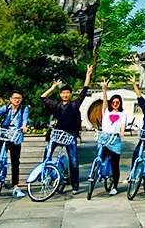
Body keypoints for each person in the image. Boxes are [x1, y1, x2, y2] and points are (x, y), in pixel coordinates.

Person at [41, 65, 93, 194]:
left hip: (70, 135)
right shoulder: (56, 105)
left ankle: (75, 185)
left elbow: (84, 90)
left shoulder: (75, 104)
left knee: (73, 160)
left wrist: (88, 75)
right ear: (60, 94)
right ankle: (46, 177)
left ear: (70, 94)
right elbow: (42, 98)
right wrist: (52, 87)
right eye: (63, 93)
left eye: (67, 93)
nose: (65, 95)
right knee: (47, 154)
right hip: (57, 134)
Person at [0, 90, 30, 198]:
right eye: (15, 98)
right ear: (10, 99)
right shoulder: (6, 108)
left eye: (19, 98)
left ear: (21, 99)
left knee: (15, 162)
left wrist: (24, 126)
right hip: (5, 134)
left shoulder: (24, 109)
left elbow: (25, 119)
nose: (16, 100)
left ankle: (15, 187)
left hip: (15, 136)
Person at [100, 79, 126, 195]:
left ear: (120, 103)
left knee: (115, 164)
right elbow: (104, 100)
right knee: (100, 158)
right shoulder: (106, 112)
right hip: (105, 138)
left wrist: (122, 131)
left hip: (115, 140)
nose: (115, 104)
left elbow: (122, 125)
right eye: (113, 102)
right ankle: (100, 173)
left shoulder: (122, 114)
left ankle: (115, 186)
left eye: (117, 102)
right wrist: (104, 89)